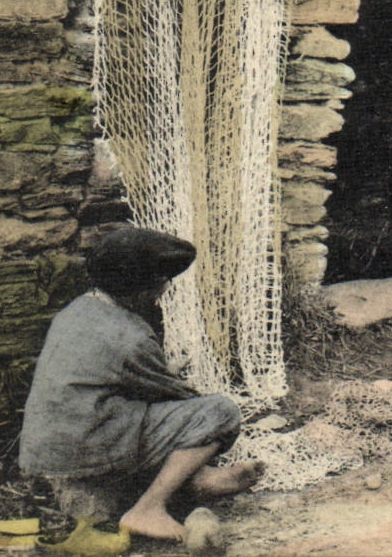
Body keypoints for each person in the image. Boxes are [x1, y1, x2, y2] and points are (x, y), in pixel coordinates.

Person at [19, 225, 263, 541]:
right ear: (142, 288)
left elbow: (105, 372)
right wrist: (171, 376)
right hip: (87, 448)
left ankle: (200, 481)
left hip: (50, 446)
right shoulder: (133, 338)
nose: (165, 290)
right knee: (218, 413)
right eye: (162, 282)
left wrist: (158, 370)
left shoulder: (76, 309)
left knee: (148, 419)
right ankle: (149, 508)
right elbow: (178, 399)